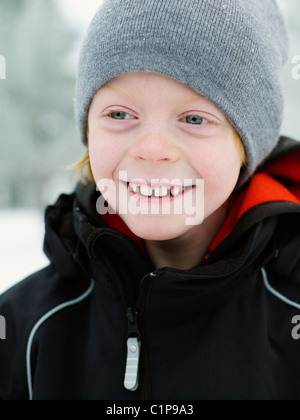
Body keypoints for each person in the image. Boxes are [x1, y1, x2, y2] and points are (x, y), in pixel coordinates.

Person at [1, 0, 300, 401]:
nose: (152, 149)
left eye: (194, 119)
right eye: (120, 114)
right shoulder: (24, 326)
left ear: (249, 145)